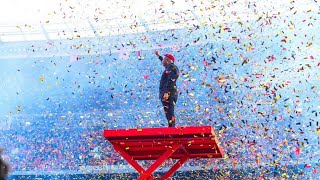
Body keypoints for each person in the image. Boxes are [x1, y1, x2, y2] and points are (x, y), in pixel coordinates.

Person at [154, 50, 179, 127]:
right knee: (168, 112)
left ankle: (172, 129)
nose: (162, 61)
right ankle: (171, 127)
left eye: (164, 59)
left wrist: (166, 93)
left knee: (170, 112)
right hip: (168, 94)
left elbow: (171, 80)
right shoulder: (169, 67)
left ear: (168, 60)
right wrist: (159, 56)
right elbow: (163, 62)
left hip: (169, 94)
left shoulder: (171, 67)